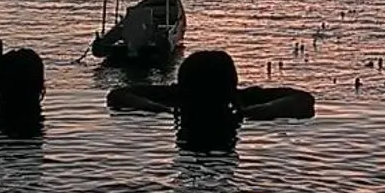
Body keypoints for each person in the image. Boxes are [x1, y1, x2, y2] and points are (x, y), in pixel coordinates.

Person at [108, 49, 314, 148]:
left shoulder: (240, 99)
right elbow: (118, 96)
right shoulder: (175, 97)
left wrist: (250, 112)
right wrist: (162, 109)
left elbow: (304, 100)